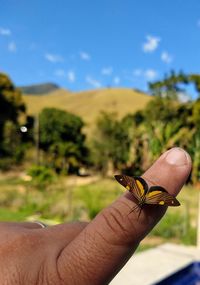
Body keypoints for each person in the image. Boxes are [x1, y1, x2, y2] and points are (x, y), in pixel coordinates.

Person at [0, 147, 191, 285]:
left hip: (144, 193)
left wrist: (151, 198)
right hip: (146, 194)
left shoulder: (141, 195)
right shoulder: (143, 197)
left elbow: (139, 193)